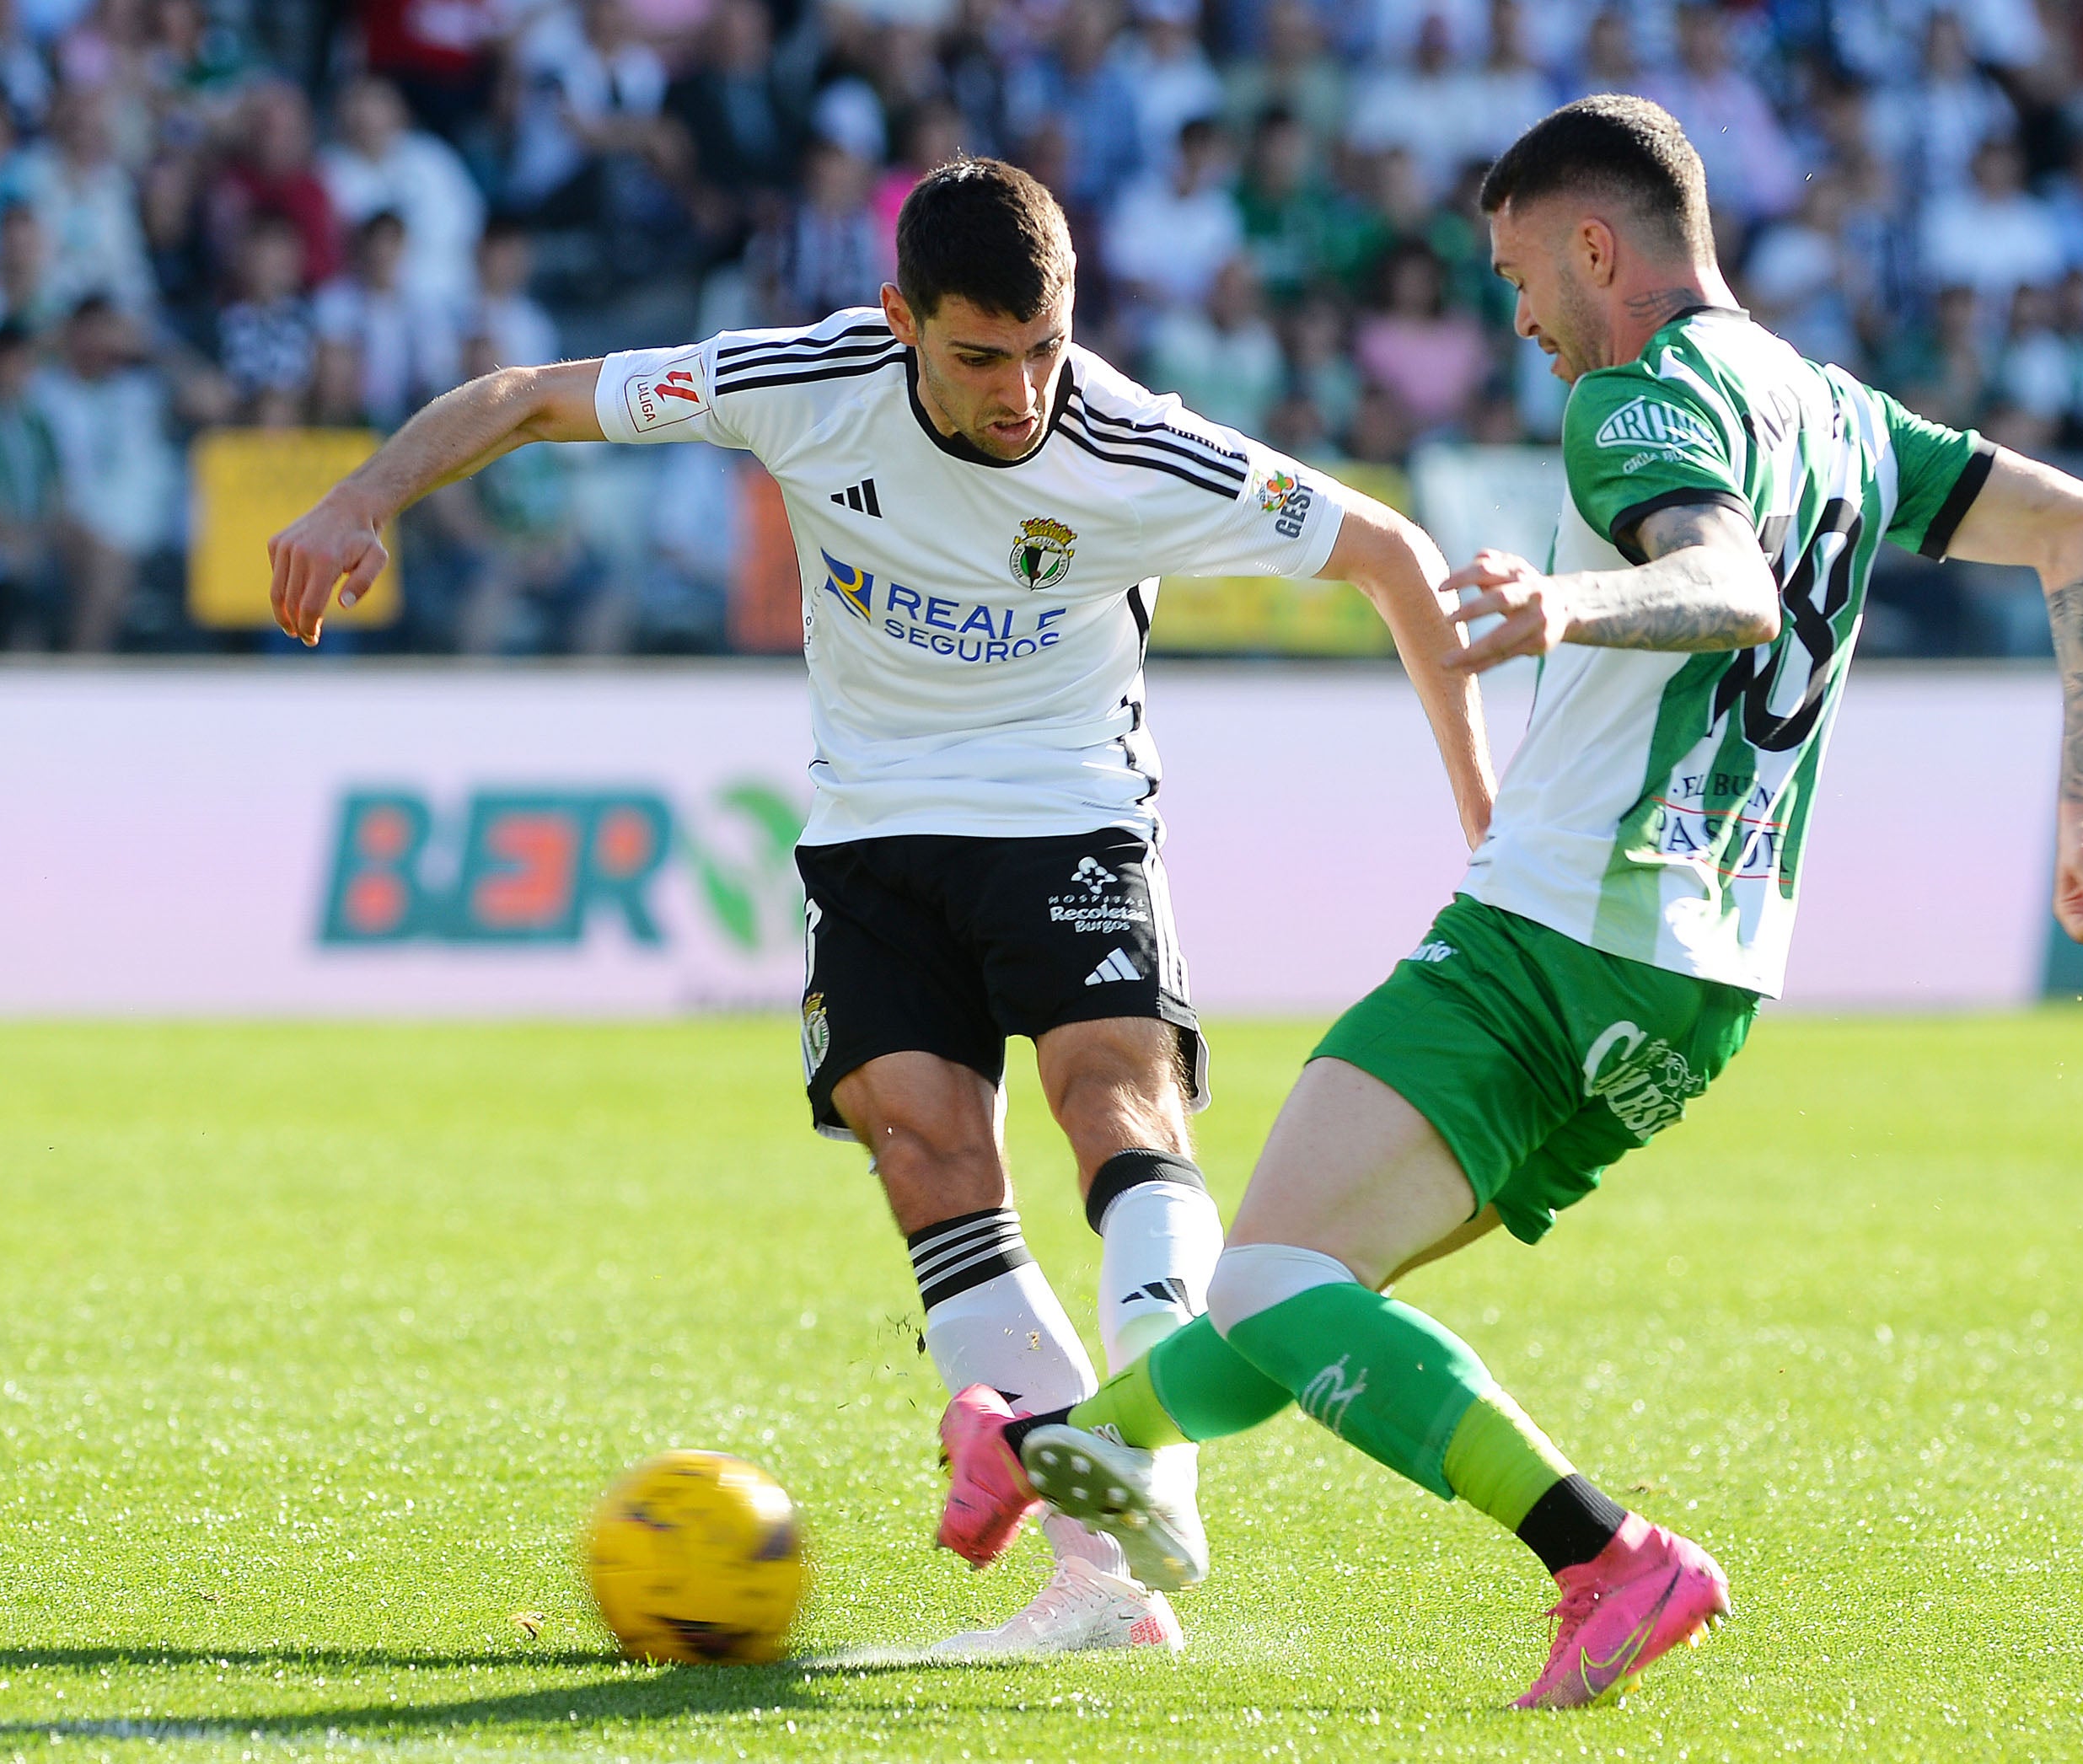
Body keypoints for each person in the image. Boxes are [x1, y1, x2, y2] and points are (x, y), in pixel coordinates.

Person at [929, 95, 2083, 1708]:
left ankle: (1606, 1556)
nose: (1519, 318)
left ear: (1598, 245)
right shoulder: (1835, 409)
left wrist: (1564, 599)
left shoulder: (1641, 399)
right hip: (1701, 987)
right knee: (1311, 1286)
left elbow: (1722, 587)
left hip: (1556, 932)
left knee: (1267, 1276)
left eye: (1522, 273)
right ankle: (1076, 1447)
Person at [265, 158, 1488, 1657]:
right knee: (922, 1149)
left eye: (1042, 349)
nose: (1020, 391)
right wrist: (352, 497)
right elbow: (525, 394)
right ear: (900, 318)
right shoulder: (803, 379)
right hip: (872, 830)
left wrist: (1484, 817)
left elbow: (1391, 554)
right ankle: (1100, 1581)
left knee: (1110, 1098)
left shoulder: (1134, 446)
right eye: (978, 356)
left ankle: (1148, 1449)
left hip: (1066, 809)